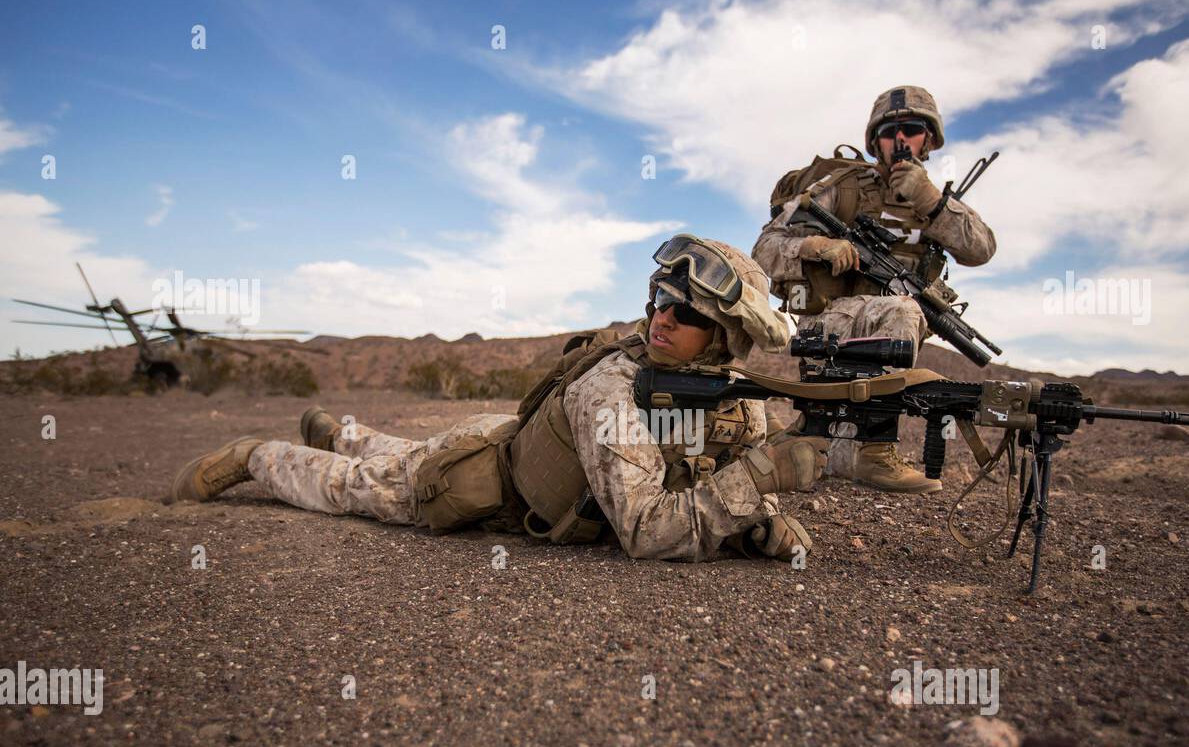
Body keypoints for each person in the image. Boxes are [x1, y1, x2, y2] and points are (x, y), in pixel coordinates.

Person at [168, 235, 828, 562]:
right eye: (660, 300)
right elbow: (647, 529)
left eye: (683, 314)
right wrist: (762, 481)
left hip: (503, 439)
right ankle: (259, 456)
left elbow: (714, 471)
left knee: (398, 451)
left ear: (725, 338)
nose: (661, 318)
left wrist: (759, 518)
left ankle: (341, 430)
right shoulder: (613, 391)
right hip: (485, 481)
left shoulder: (738, 399)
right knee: (363, 488)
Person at [753, 85, 997, 493]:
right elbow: (763, 251)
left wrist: (930, 200)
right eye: (890, 131)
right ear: (874, 140)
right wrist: (816, 246)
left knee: (903, 313)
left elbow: (981, 249)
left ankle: (821, 441)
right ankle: (872, 453)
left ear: (930, 138)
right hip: (827, 326)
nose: (901, 140)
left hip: (891, 337)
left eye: (913, 128)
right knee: (902, 311)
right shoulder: (844, 186)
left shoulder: (932, 202)